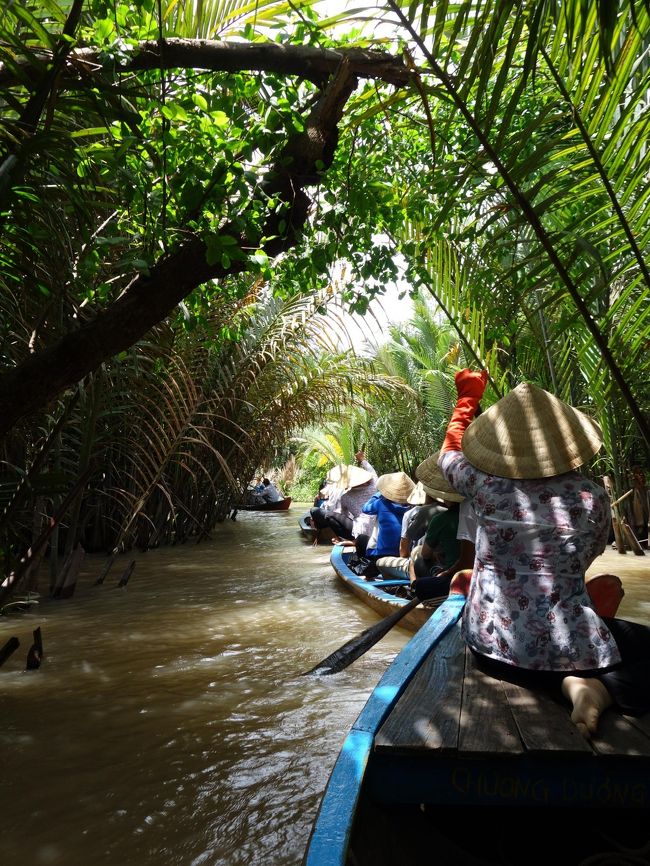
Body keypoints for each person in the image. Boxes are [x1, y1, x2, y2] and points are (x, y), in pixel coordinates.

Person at [438, 368, 650, 739]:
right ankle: (593, 686)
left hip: (494, 648)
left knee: (523, 656)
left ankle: (576, 686)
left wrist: (468, 396)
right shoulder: (593, 496)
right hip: (573, 649)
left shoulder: (485, 486)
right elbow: (589, 555)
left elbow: (449, 452)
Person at [355, 472, 414, 576]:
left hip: (381, 554)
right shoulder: (412, 509)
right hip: (401, 554)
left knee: (360, 539)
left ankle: (366, 571)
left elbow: (365, 509)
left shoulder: (380, 503)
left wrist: (378, 494)